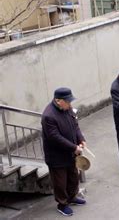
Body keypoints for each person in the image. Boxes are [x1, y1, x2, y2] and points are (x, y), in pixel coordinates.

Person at [41, 87, 87, 216]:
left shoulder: (68, 109)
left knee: (73, 176)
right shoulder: (48, 116)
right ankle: (62, 204)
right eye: (67, 101)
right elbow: (55, 138)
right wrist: (74, 147)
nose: (70, 104)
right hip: (56, 156)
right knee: (60, 182)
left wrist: (81, 139)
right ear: (58, 101)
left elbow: (75, 125)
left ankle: (72, 197)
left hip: (70, 153)